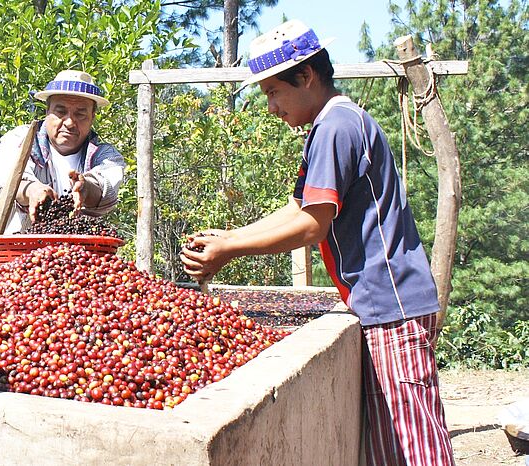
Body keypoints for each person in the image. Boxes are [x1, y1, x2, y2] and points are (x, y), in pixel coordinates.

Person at [179, 20, 455, 466]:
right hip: (382, 305)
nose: (271, 107)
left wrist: (229, 251)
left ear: (306, 77)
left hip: (391, 306)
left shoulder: (335, 127)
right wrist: (228, 237)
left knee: (413, 448)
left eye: (273, 92)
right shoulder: (332, 124)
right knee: (392, 446)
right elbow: (299, 208)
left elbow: (311, 226)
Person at [0, 70, 125, 234]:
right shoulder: (20, 139)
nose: (70, 122)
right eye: (61, 112)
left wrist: (86, 188)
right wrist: (34, 191)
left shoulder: (106, 156)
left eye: (80, 114)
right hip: (20, 252)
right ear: (47, 112)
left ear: (92, 117)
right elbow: (11, 182)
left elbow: (105, 186)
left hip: (79, 254)